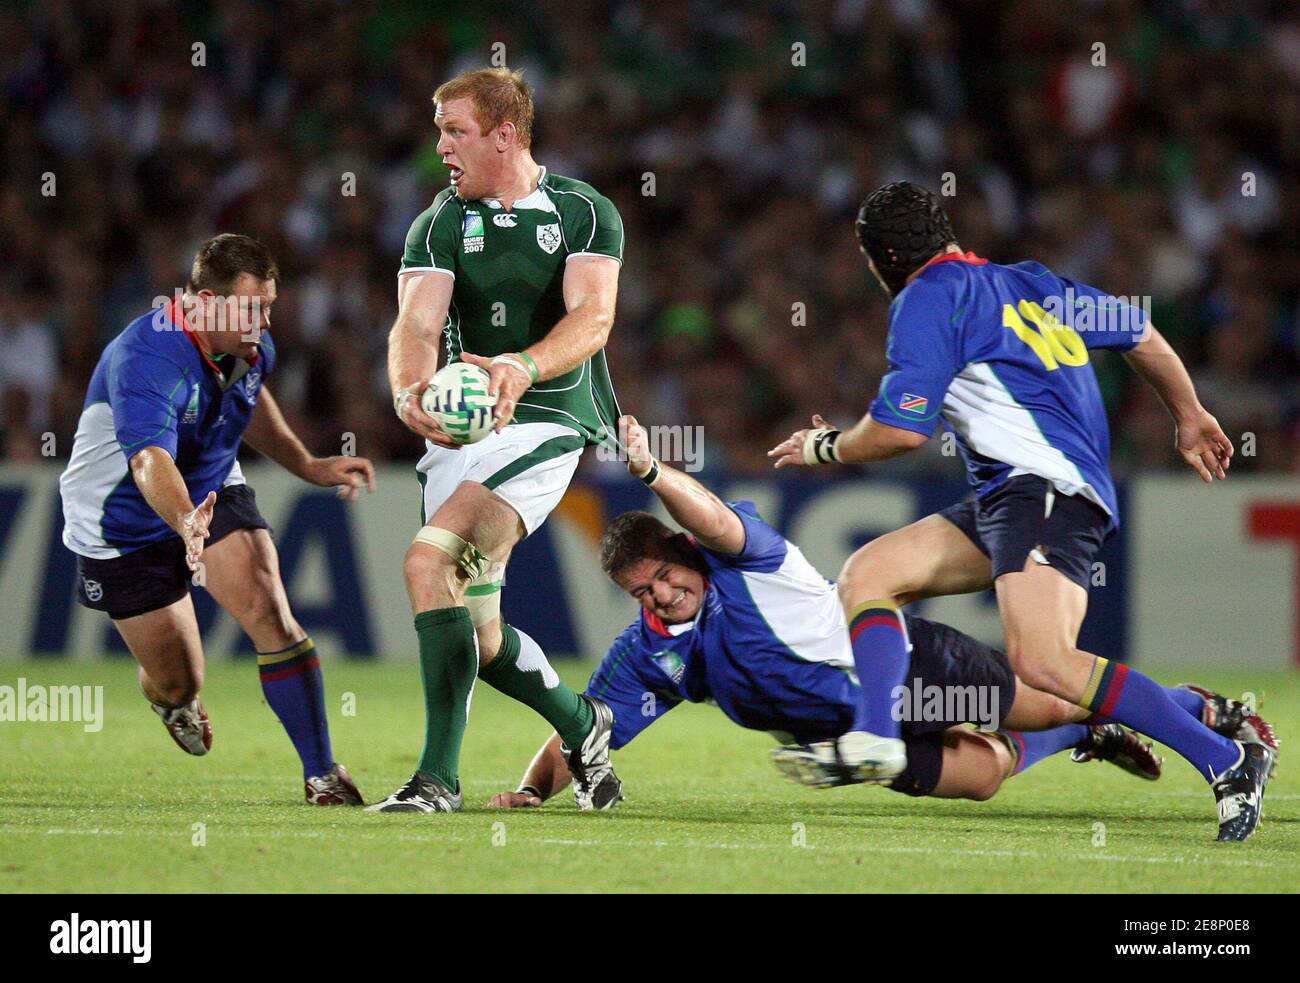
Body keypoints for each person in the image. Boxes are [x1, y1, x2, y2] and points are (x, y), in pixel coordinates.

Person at [768, 181, 1278, 840]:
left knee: (1043, 661)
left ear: (880, 260)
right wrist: (1190, 413)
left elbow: (901, 430)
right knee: (870, 573)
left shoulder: (928, 297)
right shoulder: (1031, 283)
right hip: (1013, 494)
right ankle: (873, 733)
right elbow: (1140, 330)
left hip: (1043, 490)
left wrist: (824, 444)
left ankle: (1226, 758)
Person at [488, 416, 1200, 811]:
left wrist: (650, 470)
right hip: (853, 741)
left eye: (666, 577)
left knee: (1045, 700)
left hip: (912, 668)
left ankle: (1197, 711)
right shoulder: (647, 653)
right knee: (982, 776)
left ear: (684, 552)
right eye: (642, 592)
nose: (662, 596)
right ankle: (1091, 729)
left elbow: (706, 512)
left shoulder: (743, 555)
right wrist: (528, 789)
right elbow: (586, 730)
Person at [372, 67, 625, 813]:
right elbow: (416, 325)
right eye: (439, 130)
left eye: (455, 131)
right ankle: (585, 725)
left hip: (545, 420)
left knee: (428, 561)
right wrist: (409, 389)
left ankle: (436, 781)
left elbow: (594, 317)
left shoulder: (584, 212)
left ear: (505, 133)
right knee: (479, 640)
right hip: (461, 434)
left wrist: (520, 365)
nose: (440, 147)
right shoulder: (439, 221)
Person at [59, 233, 375, 805]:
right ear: (203, 302)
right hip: (122, 522)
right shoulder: (147, 358)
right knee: (181, 679)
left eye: (269, 307)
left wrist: (306, 463)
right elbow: (147, 459)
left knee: (268, 607)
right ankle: (170, 701)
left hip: (209, 488)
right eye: (251, 308)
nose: (263, 323)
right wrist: (183, 520)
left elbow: (247, 404)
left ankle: (321, 774)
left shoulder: (249, 345)